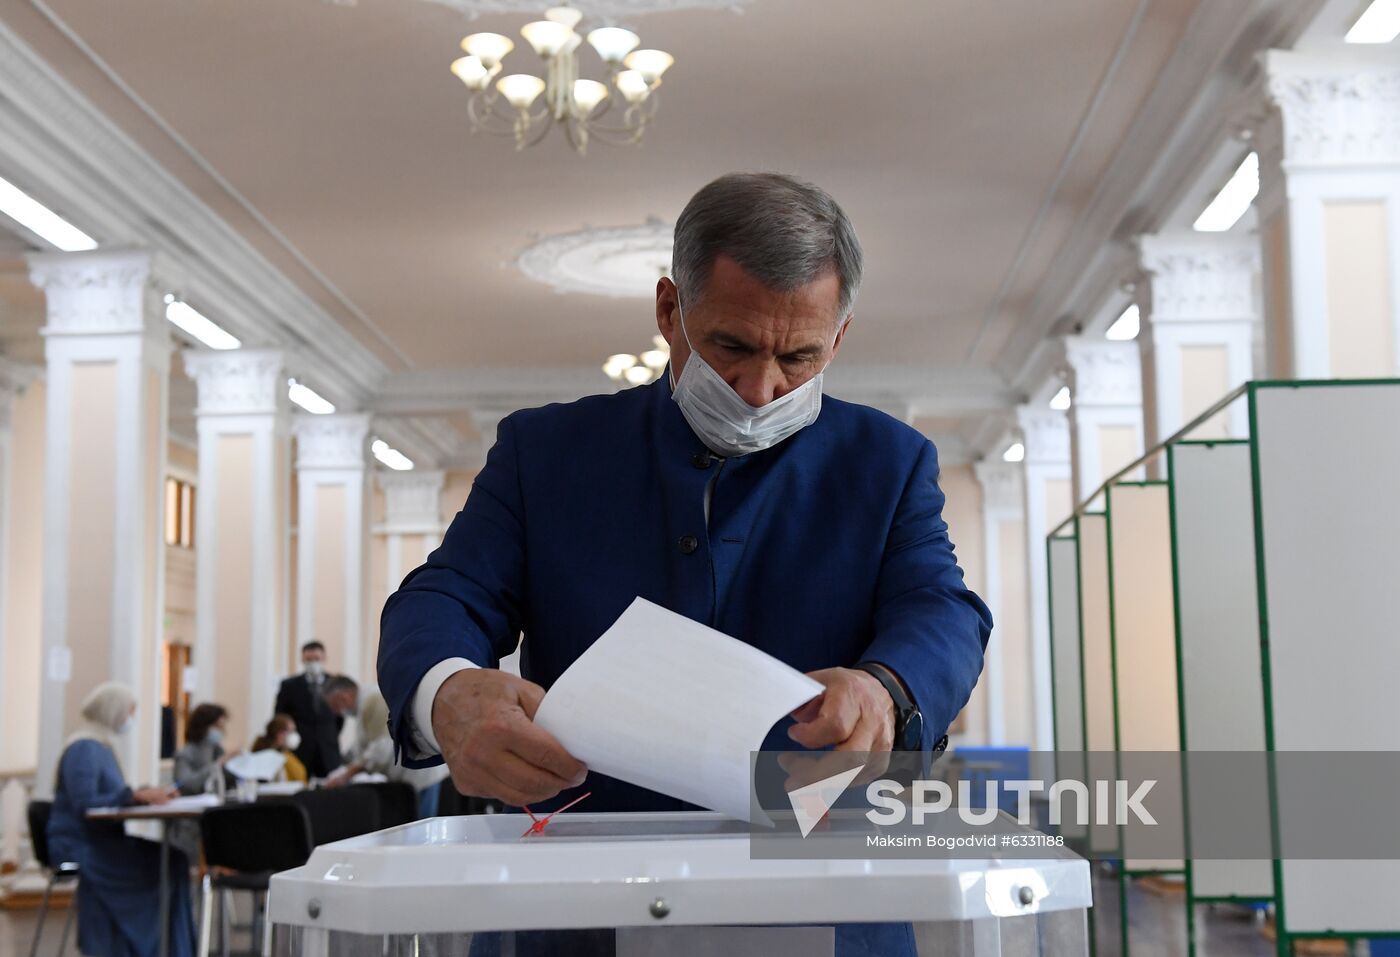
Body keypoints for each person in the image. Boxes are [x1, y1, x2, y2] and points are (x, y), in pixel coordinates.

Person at [378, 173, 992, 956]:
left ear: (837, 340)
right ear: (670, 310)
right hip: (579, 902)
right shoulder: (545, 454)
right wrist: (447, 693)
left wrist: (887, 687)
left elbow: (943, 610)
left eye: (799, 357)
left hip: (827, 893)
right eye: (732, 345)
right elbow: (443, 597)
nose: (761, 389)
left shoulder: (889, 463)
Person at [47, 682, 196, 957]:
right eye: (129, 711)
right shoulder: (83, 748)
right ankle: (146, 946)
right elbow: (85, 802)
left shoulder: (101, 747)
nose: (131, 718)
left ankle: (171, 947)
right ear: (114, 711)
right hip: (82, 844)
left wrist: (140, 794)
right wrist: (134, 796)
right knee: (168, 863)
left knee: (175, 860)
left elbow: (112, 795)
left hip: (103, 840)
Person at [329, 690, 449, 816]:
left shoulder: (373, 700)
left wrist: (348, 773)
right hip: (411, 773)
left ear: (342, 696)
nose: (335, 711)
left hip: (420, 774)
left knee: (423, 825)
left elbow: (382, 747)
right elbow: (360, 746)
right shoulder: (364, 706)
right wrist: (344, 765)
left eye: (334, 705)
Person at [274, 641, 342, 778]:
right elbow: (280, 716)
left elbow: (340, 717)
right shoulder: (290, 686)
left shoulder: (335, 684)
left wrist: (329, 734)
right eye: (309, 659)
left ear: (323, 659)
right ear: (303, 660)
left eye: (316, 659)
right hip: (301, 749)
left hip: (328, 749)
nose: (313, 663)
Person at [172, 703, 233, 795]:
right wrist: (218, 764)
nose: (222, 731)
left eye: (222, 727)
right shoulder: (185, 754)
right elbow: (185, 785)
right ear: (203, 726)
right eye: (217, 727)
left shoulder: (218, 750)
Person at [250, 714, 309, 783]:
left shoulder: (286, 755)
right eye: (291, 731)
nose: (294, 735)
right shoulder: (267, 757)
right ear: (279, 734)